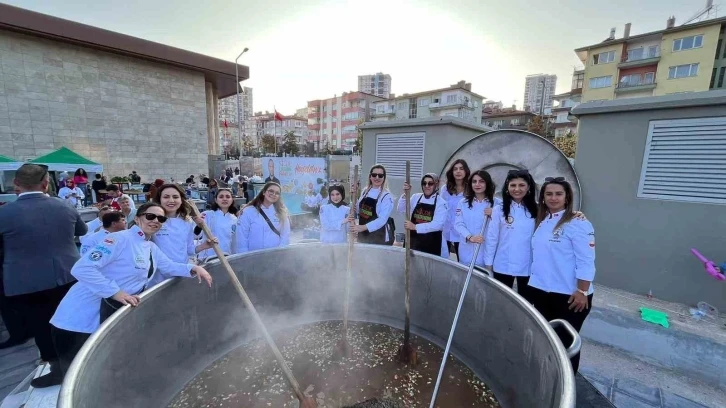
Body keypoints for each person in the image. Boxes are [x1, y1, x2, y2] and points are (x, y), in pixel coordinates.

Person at [49, 202, 214, 383]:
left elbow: (170, 267)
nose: (155, 221)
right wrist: (116, 292)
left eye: (161, 218)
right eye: (150, 216)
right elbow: (82, 268)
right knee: (80, 381)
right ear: (137, 218)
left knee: (103, 377)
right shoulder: (119, 239)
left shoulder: (150, 247)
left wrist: (194, 269)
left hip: (107, 317)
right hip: (78, 321)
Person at [0, 164, 87, 387]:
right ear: (46, 184)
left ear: (15, 185)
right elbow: (82, 231)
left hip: (27, 282)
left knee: (41, 327)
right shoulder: (64, 206)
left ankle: (58, 370)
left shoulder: (4, 213)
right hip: (68, 275)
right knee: (71, 321)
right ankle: (80, 366)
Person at [525, 177, 595, 373]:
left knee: (566, 346)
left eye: (558, 194)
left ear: (567, 197)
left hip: (570, 295)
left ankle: (567, 384)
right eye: (549, 194)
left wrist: (582, 290)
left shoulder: (578, 223)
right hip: (541, 291)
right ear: (543, 197)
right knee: (546, 340)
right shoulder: (543, 220)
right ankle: (547, 378)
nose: (553, 198)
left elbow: (586, 260)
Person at [484, 169, 539, 294]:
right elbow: (492, 238)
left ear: (529, 187)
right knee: (501, 302)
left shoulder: (538, 209)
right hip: (503, 264)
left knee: (526, 304)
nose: (517, 189)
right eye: (513, 185)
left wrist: (576, 214)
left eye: (521, 185)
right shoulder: (499, 210)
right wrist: (488, 264)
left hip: (528, 266)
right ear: (507, 187)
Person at [150, 184, 212, 286]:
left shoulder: (186, 222)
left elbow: (189, 249)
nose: (171, 200)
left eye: (175, 197)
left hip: (182, 272)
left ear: (181, 199)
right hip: (158, 275)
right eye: (166, 197)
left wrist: (204, 246)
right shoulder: (153, 220)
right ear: (159, 199)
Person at [454, 170, 498, 268]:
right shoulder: (463, 203)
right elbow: (458, 224)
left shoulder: (497, 204)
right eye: (474, 181)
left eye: (481, 181)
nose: (477, 184)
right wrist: (470, 237)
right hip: (466, 251)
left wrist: (495, 214)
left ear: (488, 183)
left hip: (486, 253)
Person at [398, 173, 448, 257]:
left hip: (431, 245)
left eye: (430, 183)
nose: (427, 186)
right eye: (424, 183)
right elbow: (401, 209)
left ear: (436, 185)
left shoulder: (441, 203)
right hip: (413, 243)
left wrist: (415, 227)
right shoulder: (416, 197)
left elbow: (437, 225)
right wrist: (405, 194)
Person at [235, 182, 290, 253]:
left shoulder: (281, 213)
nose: (274, 194)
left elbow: (285, 235)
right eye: (271, 191)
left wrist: (280, 253)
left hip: (274, 256)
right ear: (264, 192)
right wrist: (243, 256)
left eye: (277, 193)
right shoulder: (248, 211)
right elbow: (242, 236)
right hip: (253, 256)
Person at [350, 164, 394, 245]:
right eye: (374, 175)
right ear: (370, 177)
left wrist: (363, 227)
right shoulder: (366, 191)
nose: (377, 178)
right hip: (363, 235)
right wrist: (354, 195)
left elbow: (382, 220)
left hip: (379, 236)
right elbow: (359, 210)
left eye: (380, 175)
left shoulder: (387, 197)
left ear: (384, 178)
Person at [196, 189, 239, 261]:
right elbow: (196, 235)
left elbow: (234, 242)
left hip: (227, 256)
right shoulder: (207, 215)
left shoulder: (235, 219)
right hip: (208, 257)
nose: (224, 199)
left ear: (232, 200)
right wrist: (199, 225)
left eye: (228, 197)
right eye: (221, 197)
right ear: (216, 200)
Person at [441, 159, 470, 260]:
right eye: (455, 169)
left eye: (461, 169)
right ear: (452, 172)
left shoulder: (471, 189)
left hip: (462, 231)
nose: (458, 171)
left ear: (466, 171)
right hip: (446, 229)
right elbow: (441, 207)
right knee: (443, 258)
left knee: (462, 260)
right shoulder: (445, 189)